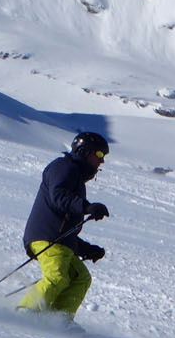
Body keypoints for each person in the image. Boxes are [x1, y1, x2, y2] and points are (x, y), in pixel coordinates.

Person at [17, 131, 111, 325]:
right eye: (99, 155)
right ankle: (24, 313)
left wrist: (84, 248)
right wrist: (86, 207)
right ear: (85, 152)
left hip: (59, 241)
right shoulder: (63, 167)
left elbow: (66, 225)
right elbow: (58, 196)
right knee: (57, 276)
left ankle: (58, 321)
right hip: (46, 237)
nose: (101, 162)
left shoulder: (75, 177)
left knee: (81, 278)